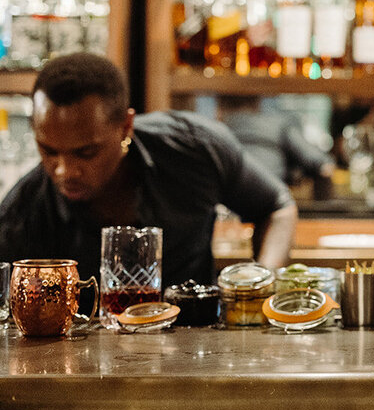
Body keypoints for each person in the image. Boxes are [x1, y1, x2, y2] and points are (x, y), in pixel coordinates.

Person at [0, 53, 297, 286]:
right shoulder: (23, 211)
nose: (64, 170)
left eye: (86, 152)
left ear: (126, 126)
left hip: (197, 351)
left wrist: (264, 284)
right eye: (49, 151)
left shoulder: (192, 149)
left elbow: (276, 206)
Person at [217, 95, 335, 196]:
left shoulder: (217, 130)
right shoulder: (278, 125)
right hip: (268, 200)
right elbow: (321, 163)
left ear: (220, 107)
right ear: (257, 103)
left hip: (227, 204)